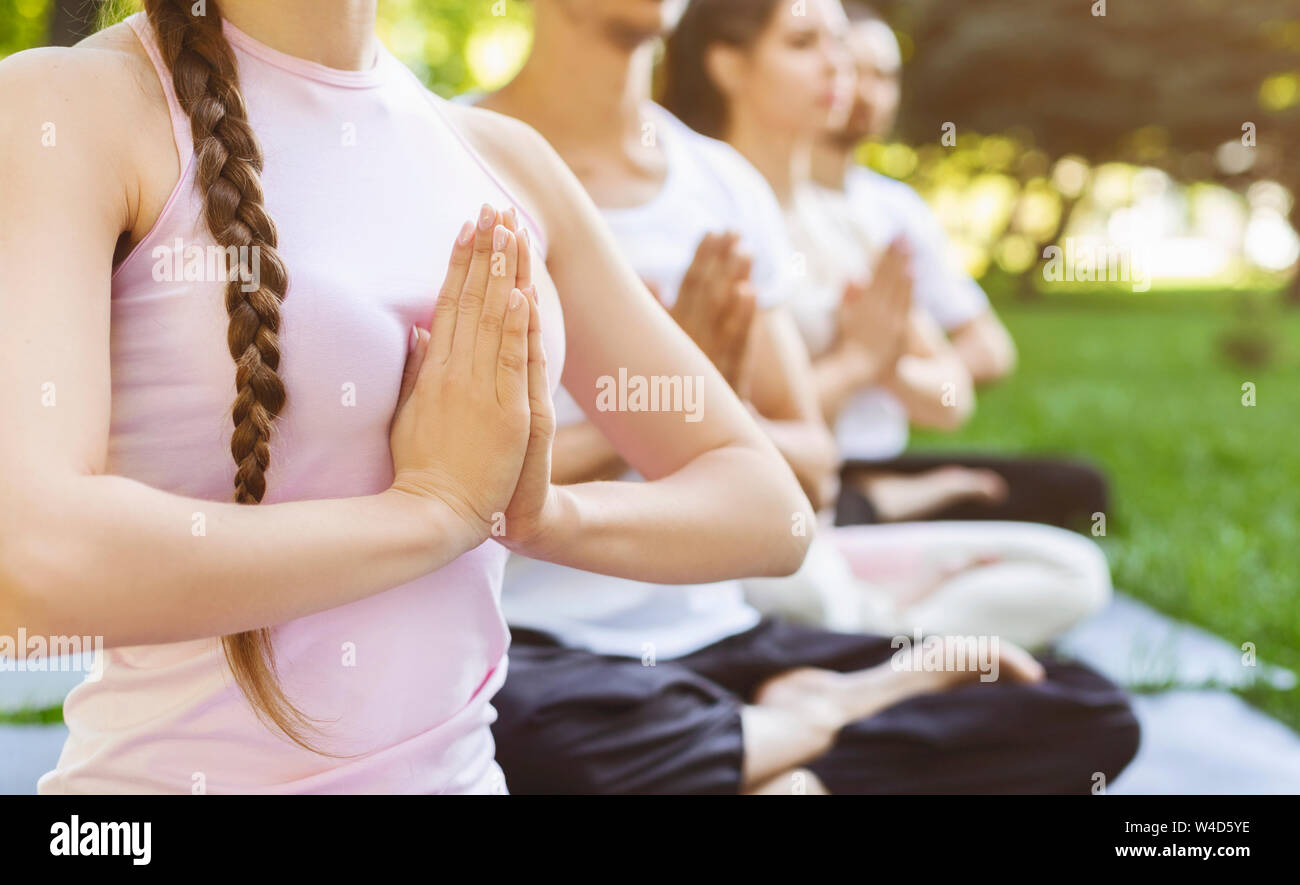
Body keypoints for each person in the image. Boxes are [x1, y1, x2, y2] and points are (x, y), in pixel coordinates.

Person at [0, 0, 813, 794]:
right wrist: (431, 511)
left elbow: (768, 508)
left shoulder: (505, 160)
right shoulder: (65, 108)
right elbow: (27, 574)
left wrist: (536, 515)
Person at [477, 0, 1138, 794]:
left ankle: (741, 752)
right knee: (536, 736)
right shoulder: (451, 158)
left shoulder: (718, 184)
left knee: (1080, 707)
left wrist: (690, 401)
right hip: (546, 654)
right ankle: (767, 753)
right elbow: (455, 482)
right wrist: (673, 401)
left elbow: (813, 474)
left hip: (721, 634)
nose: (836, 67)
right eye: (802, 42)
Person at [663, 0, 1114, 647]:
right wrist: (854, 365)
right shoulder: (696, 217)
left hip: (831, 519)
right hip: (755, 524)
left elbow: (950, 399)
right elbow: (700, 435)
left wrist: (885, 362)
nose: (838, 65)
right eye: (803, 43)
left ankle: (864, 638)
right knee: (806, 587)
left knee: (1071, 570)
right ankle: (874, 640)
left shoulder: (852, 224)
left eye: (841, 43)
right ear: (728, 65)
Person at [811, 0, 1111, 530]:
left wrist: (892, 354)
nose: (867, 92)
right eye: (853, 70)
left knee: (1080, 489)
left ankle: (887, 498)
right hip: (803, 447)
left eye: (885, 76)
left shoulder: (895, 209)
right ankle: (880, 503)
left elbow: (990, 352)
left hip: (882, 451)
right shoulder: (767, 200)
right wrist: (855, 358)